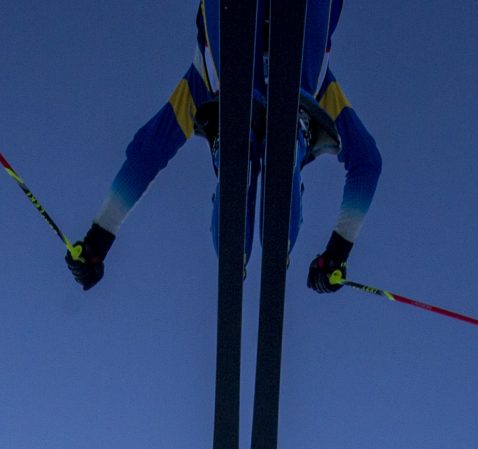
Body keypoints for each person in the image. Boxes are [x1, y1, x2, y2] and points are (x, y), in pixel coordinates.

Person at [65, 1, 381, 292]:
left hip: (234, 56)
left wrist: (99, 239)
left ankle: (252, 133)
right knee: (293, 96)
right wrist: (336, 254)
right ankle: (283, 133)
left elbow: (148, 152)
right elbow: (366, 162)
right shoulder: (321, 88)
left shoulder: (200, 82)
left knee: (260, 98)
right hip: (287, 53)